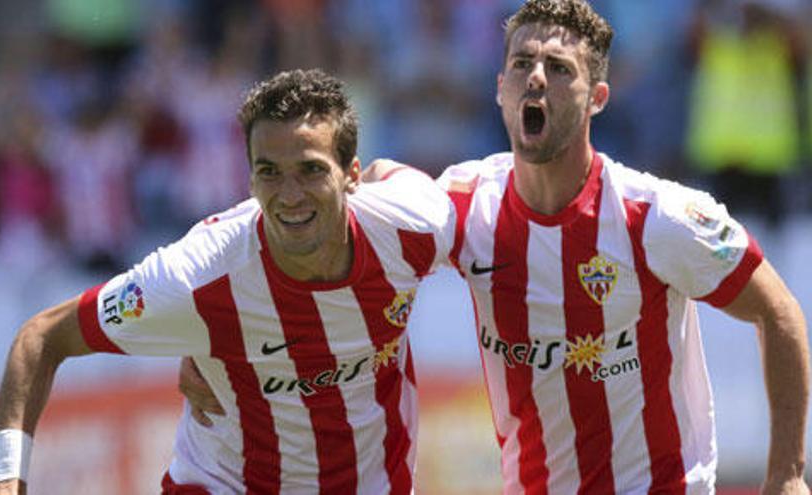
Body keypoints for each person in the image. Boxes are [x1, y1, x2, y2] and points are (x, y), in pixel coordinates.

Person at [182, 1, 810, 493]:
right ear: (500, 89)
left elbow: (778, 312)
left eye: (559, 69)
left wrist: (787, 472)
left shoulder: (657, 217)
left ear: (597, 99)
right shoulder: (462, 203)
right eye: (521, 64)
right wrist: (207, 338)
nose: (536, 78)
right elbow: (329, 217)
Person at [0, 68, 455, 494]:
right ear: (249, 180)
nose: (290, 196)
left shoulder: (414, 225)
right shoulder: (195, 277)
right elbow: (42, 337)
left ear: (351, 176)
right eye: (269, 173)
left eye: (311, 170)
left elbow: (398, 180)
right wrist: (5, 480)